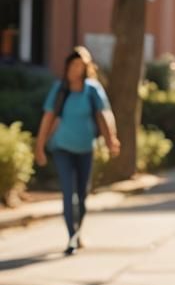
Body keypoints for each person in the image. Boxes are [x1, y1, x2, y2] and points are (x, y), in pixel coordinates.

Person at [35, 46, 120, 256]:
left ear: (86, 68)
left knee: (81, 196)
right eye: (73, 65)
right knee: (67, 193)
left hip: (85, 149)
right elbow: (48, 118)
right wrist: (40, 146)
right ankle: (71, 237)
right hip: (62, 148)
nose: (76, 70)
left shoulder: (92, 90)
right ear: (67, 67)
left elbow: (104, 116)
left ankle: (78, 231)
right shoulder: (60, 89)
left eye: (81, 66)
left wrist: (112, 140)